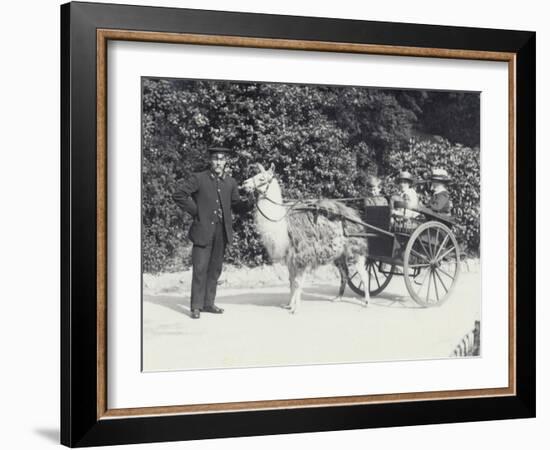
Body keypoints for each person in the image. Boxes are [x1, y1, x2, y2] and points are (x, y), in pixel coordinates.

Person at [172, 146, 246, 319]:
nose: (218, 162)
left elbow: (236, 204)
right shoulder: (199, 178)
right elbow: (179, 194)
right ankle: (196, 306)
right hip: (203, 230)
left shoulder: (230, 182)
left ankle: (208, 303)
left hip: (222, 232)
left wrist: (251, 202)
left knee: (214, 269)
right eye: (215, 159)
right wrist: (197, 211)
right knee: (200, 268)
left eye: (221, 159)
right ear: (210, 160)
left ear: (226, 161)